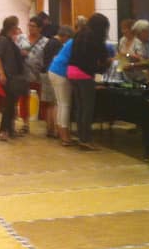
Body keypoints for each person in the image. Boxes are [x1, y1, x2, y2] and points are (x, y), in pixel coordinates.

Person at [68, 13, 111, 151]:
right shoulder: (96, 37)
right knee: (88, 108)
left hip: (72, 71)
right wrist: (108, 63)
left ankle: (81, 137)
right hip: (84, 74)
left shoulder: (79, 33)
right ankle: (86, 140)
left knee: (79, 107)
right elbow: (101, 59)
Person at [0, 16, 24, 141]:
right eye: (16, 25)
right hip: (8, 76)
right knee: (9, 104)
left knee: (12, 104)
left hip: (14, 76)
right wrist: (1, 73)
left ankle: (10, 129)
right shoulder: (3, 40)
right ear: (12, 27)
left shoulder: (10, 40)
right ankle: (4, 130)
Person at [19, 15, 49, 134]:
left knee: (44, 99)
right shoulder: (22, 38)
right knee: (24, 99)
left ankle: (48, 123)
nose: (31, 28)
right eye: (29, 25)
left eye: (34, 26)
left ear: (40, 28)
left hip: (39, 75)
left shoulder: (45, 41)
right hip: (24, 73)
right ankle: (25, 124)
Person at [47, 25, 76, 146]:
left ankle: (61, 132)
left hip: (53, 70)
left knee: (60, 104)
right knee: (65, 104)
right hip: (61, 73)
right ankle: (65, 136)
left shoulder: (68, 43)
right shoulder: (73, 43)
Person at [40, 24, 70, 139]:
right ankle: (58, 130)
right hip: (54, 73)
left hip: (45, 73)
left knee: (49, 104)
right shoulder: (58, 44)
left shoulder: (49, 42)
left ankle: (50, 129)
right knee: (56, 103)